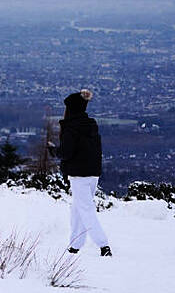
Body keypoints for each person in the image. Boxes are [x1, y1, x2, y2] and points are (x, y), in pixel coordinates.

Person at [58, 89, 112, 257]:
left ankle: (103, 245)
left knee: (85, 209)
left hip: (78, 174)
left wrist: (55, 152)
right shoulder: (90, 125)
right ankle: (75, 245)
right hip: (93, 173)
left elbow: (67, 153)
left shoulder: (70, 128)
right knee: (78, 208)